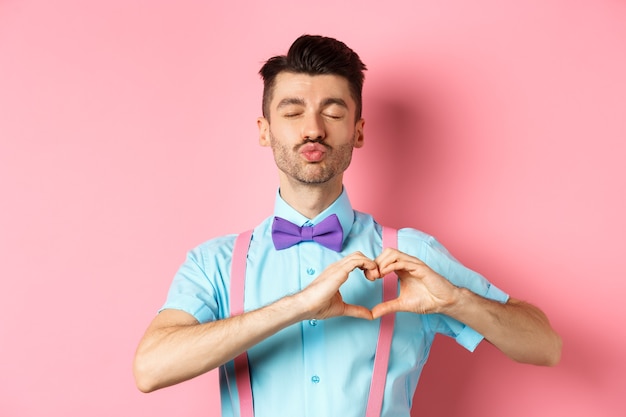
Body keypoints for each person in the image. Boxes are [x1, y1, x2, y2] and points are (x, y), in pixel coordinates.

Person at [133, 34, 562, 416]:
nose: (313, 129)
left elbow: (546, 346)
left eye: (333, 113)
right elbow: (150, 369)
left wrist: (456, 301)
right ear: (265, 131)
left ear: (358, 132)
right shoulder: (215, 263)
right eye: (293, 112)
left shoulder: (415, 255)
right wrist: (296, 306)